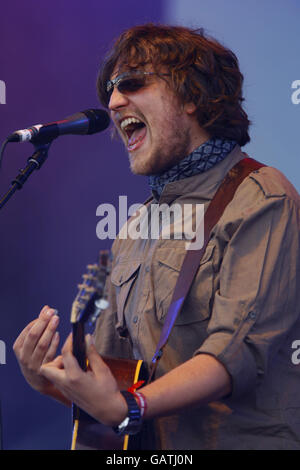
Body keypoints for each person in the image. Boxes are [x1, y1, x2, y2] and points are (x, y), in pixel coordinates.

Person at [13, 24, 300, 450]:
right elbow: (114, 384)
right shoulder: (137, 223)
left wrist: (132, 408)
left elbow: (235, 354)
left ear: (192, 96)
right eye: (110, 90)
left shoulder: (263, 197)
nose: (112, 102)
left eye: (131, 83)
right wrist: (50, 379)